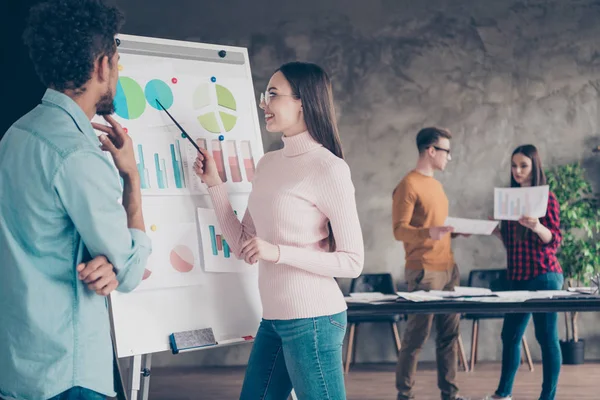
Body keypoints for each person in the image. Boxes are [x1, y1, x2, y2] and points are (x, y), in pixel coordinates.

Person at [0, 1, 151, 399]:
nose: (117, 73)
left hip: (17, 366)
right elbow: (131, 271)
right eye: (117, 63)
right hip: (68, 373)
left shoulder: (15, 135)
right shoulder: (79, 156)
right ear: (102, 65)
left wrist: (100, 258)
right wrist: (130, 177)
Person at [193, 61, 364, 400]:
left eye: (273, 94)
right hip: (273, 319)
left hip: (314, 320)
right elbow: (245, 244)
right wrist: (215, 186)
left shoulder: (329, 168)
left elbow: (353, 262)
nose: (263, 104)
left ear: (303, 102)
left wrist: (279, 252)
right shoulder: (268, 164)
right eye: (264, 94)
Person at [392, 127, 469, 400]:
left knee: (450, 336)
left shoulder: (436, 185)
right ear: (431, 150)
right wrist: (428, 233)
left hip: (449, 269)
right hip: (423, 270)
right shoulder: (408, 185)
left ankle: (450, 394)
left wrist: (453, 232)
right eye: (446, 151)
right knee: (415, 337)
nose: (449, 157)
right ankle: (406, 394)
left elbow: (434, 226)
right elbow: (399, 230)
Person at [483, 145, 563, 400]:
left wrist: (538, 226)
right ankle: (503, 394)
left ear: (534, 166)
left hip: (544, 276)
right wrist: (498, 233)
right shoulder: (509, 199)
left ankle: (547, 397)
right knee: (510, 335)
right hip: (517, 278)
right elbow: (514, 246)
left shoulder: (547, 199)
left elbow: (555, 241)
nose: (517, 171)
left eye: (523, 165)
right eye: (514, 165)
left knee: (546, 337)